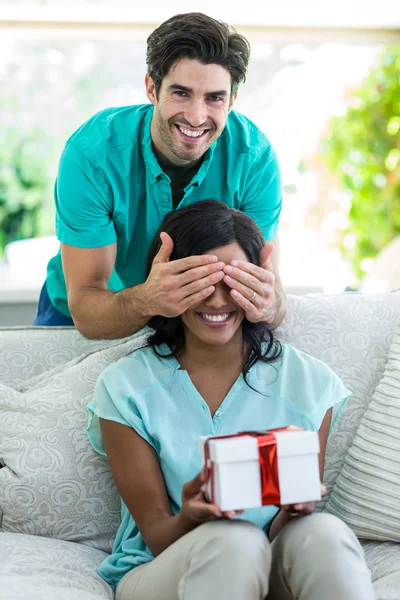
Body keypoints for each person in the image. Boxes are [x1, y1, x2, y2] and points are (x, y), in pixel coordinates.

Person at [86, 201, 374, 600]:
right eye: (200, 280)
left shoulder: (308, 383)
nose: (218, 301)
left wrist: (293, 510)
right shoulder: (125, 388)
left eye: (233, 281)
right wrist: (188, 515)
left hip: (267, 562)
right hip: (163, 565)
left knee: (324, 532)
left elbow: (281, 535)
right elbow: (155, 534)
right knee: (233, 540)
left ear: (260, 281)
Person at [33, 12, 286, 337]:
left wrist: (268, 304)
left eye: (214, 98)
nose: (197, 117)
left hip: (187, 320)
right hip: (82, 312)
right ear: (152, 88)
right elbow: (86, 307)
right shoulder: (91, 156)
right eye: (181, 93)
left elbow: (276, 301)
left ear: (232, 101)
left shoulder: (255, 161)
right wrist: (148, 300)